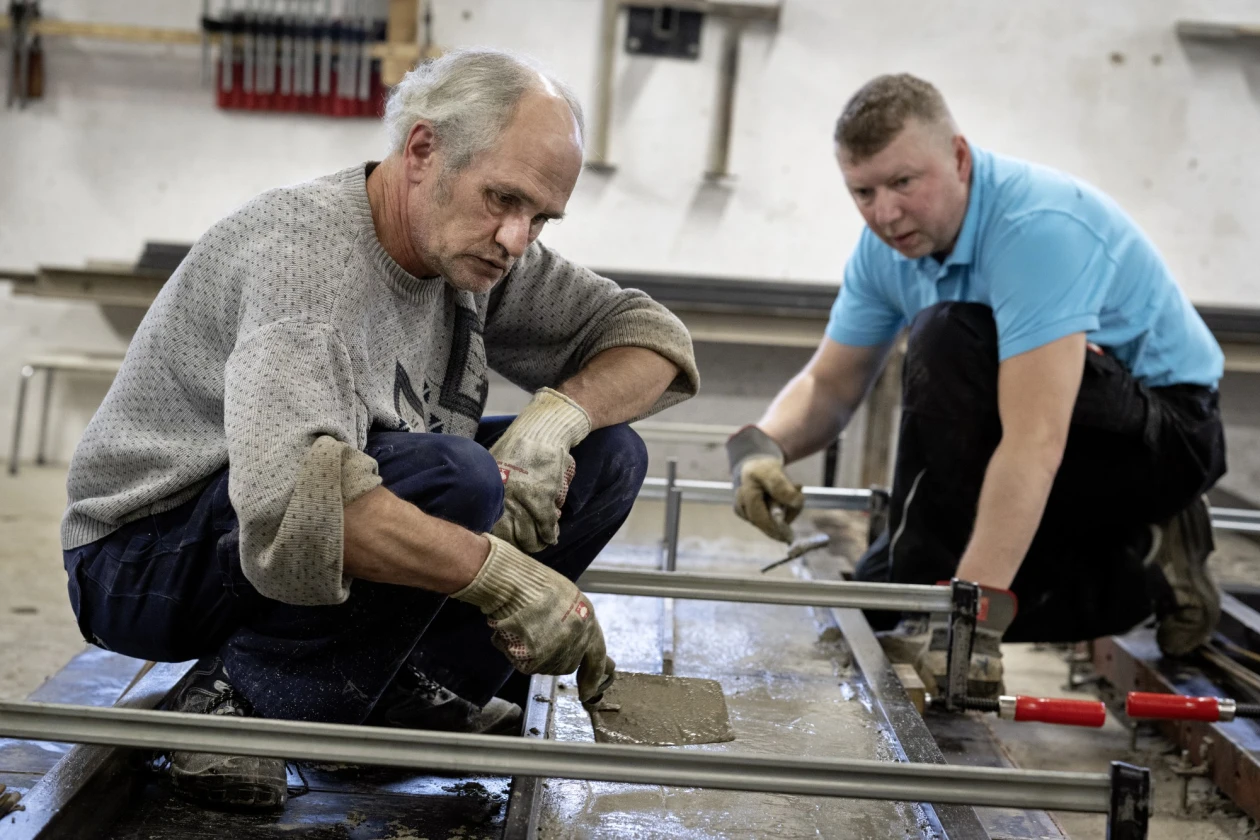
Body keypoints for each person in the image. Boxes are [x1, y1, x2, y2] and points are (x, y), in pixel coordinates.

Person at [60, 48, 699, 812]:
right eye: (503, 199)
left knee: (608, 452)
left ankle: (412, 689)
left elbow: (653, 338)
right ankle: (235, 704)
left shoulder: (473, 251)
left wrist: (555, 420)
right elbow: (297, 502)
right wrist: (500, 576)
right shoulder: (308, 259)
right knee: (454, 476)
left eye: (539, 216)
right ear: (423, 150)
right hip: (142, 557)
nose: (516, 237)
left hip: (262, 523)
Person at [727, 73, 1225, 699]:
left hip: (1163, 440)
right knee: (921, 588)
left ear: (959, 158)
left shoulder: (1035, 227)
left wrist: (971, 620)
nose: (885, 213)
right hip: (1063, 437)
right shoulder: (886, 250)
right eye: (863, 192)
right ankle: (1153, 565)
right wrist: (759, 449)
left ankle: (1151, 513)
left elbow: (1035, 439)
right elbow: (829, 385)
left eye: (904, 182)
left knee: (949, 335)